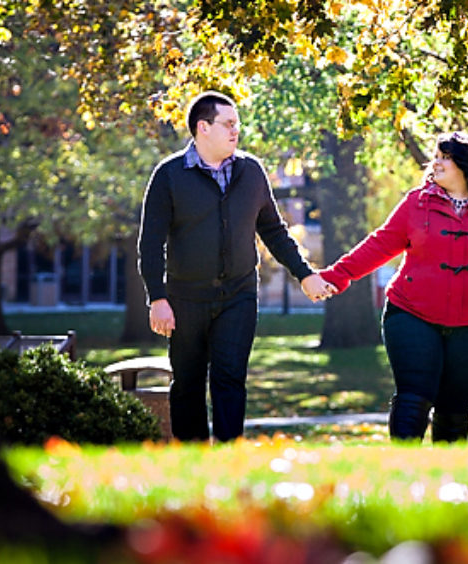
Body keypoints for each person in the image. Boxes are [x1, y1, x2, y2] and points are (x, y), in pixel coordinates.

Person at [315, 132, 468, 442]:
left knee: (454, 405)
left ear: (464, 163)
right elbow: (380, 244)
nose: (436, 162)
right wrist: (336, 275)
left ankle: (445, 480)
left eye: (444, 157)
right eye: (436, 156)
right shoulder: (417, 202)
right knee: (414, 395)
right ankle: (404, 473)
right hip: (411, 313)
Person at [137, 91, 335, 442]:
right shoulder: (169, 176)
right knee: (188, 382)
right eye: (228, 124)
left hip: (239, 295)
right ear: (203, 128)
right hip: (185, 298)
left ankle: (230, 457)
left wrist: (304, 274)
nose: (236, 131)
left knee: (230, 378)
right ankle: (193, 461)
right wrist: (158, 298)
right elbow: (151, 244)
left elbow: (273, 230)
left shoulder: (251, 171)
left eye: (237, 124)